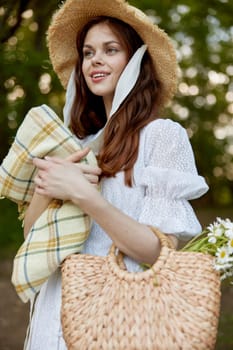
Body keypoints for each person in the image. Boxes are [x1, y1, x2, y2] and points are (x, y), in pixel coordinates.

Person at [22, 0, 209, 348]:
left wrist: (85, 196)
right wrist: (48, 189)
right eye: (88, 52)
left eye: (111, 50)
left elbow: (158, 252)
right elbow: (33, 238)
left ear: (136, 61)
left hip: (123, 309)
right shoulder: (74, 142)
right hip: (61, 305)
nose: (95, 60)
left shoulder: (162, 136)